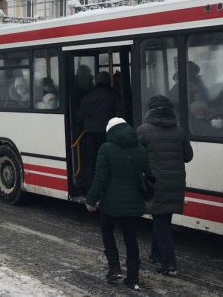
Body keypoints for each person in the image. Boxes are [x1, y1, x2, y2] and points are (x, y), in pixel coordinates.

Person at [86, 117, 151, 290]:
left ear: (110, 131)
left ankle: (114, 268)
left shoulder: (106, 149)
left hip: (110, 204)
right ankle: (133, 278)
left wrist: (91, 200)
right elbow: (149, 175)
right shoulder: (140, 149)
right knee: (131, 239)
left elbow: (100, 178)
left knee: (107, 231)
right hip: (133, 203)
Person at [136, 95, 194, 277]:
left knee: (161, 223)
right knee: (162, 219)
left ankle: (169, 264)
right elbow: (188, 156)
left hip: (155, 184)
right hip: (175, 183)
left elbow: (137, 156)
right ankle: (155, 254)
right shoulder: (180, 131)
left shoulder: (143, 130)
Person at [76, 71, 124, 188]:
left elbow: (79, 115)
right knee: (109, 161)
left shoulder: (88, 96)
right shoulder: (114, 95)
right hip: (108, 134)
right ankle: (109, 186)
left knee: (93, 161)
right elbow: (120, 114)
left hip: (90, 133)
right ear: (109, 81)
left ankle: (91, 187)